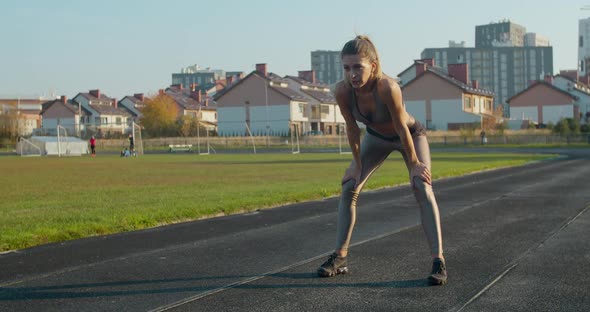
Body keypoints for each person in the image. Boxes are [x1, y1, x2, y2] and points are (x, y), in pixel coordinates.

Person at [316, 35, 447, 285]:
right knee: (349, 187)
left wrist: (415, 165)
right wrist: (356, 164)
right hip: (375, 137)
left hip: (409, 135)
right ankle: (340, 257)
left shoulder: (388, 87)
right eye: (346, 68)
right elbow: (353, 130)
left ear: (373, 66)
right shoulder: (342, 91)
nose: (352, 74)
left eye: (358, 67)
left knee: (421, 185)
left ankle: (438, 260)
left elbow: (401, 128)